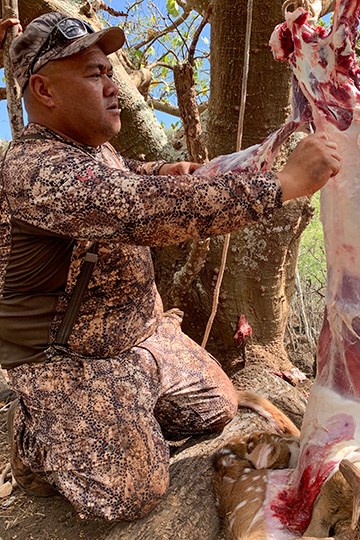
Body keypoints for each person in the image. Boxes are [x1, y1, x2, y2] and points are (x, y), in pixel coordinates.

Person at [0, 12, 341, 521]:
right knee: (129, 494)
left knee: (216, 409)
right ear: (45, 90)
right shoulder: (33, 167)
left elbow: (130, 176)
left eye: (111, 73)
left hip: (141, 339)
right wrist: (281, 186)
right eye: (96, 74)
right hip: (70, 358)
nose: (113, 86)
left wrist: (163, 169)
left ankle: (125, 398)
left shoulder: (92, 151)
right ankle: (37, 436)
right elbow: (136, 209)